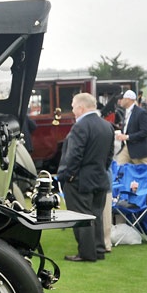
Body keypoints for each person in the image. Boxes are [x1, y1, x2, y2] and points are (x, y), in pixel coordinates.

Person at [57, 92, 114, 262]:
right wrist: (101, 169)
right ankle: (98, 250)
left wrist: (69, 176)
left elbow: (74, 155)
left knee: (81, 216)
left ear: (81, 107)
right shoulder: (107, 126)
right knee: (96, 215)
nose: (73, 110)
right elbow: (109, 155)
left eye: (73, 106)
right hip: (100, 177)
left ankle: (87, 253)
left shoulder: (80, 126)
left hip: (80, 180)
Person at [114, 89, 147, 164]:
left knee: (144, 172)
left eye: (121, 99)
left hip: (140, 150)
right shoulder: (126, 111)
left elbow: (145, 131)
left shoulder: (141, 113)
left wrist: (127, 137)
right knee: (119, 168)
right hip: (127, 147)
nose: (119, 101)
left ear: (128, 99)